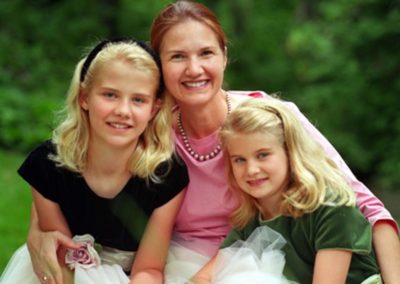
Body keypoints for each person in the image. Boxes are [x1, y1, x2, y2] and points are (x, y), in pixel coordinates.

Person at [25, 0, 400, 283]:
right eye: (177, 57)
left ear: (224, 56)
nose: (194, 69)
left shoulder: (268, 120)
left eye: (206, 53)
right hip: (172, 265)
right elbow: (71, 166)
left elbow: (363, 204)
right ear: (159, 70)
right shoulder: (148, 126)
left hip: (259, 263)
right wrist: (37, 231)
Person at [0, 38, 189, 284]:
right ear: (84, 98)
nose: (123, 110)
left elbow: (149, 269)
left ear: (154, 109)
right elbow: (60, 260)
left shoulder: (167, 175)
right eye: (110, 95)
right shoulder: (47, 166)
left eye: (138, 100)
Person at [191, 98, 382, 284]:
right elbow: (202, 278)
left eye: (263, 155)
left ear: (290, 152)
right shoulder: (251, 219)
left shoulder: (332, 206)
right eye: (240, 160)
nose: (251, 170)